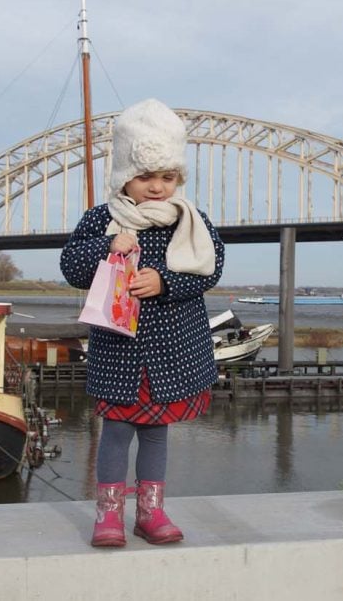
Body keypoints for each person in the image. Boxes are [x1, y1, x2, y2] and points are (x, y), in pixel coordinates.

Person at [60, 98, 225, 546]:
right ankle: (108, 516)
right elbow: (71, 265)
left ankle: (150, 513)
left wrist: (166, 281)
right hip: (120, 349)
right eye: (146, 176)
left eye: (167, 177)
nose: (157, 187)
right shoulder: (103, 219)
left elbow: (210, 270)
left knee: (155, 433)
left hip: (171, 349)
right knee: (115, 431)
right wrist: (108, 246)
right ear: (124, 177)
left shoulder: (190, 221)